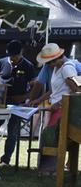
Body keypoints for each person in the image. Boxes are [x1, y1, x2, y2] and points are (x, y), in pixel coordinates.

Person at [30, 43, 80, 175]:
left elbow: (76, 90)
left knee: (50, 135)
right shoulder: (57, 68)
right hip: (56, 108)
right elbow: (54, 90)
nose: (47, 65)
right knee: (49, 136)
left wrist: (58, 104)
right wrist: (38, 100)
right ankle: (51, 169)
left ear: (56, 59)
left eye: (48, 62)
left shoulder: (67, 69)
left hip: (63, 109)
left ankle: (52, 170)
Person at [0, 40, 35, 165]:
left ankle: (5, 160)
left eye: (15, 56)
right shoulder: (1, 62)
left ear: (21, 53)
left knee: (12, 131)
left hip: (18, 102)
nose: (12, 58)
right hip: (0, 100)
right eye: (10, 56)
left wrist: (25, 97)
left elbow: (34, 86)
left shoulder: (28, 66)